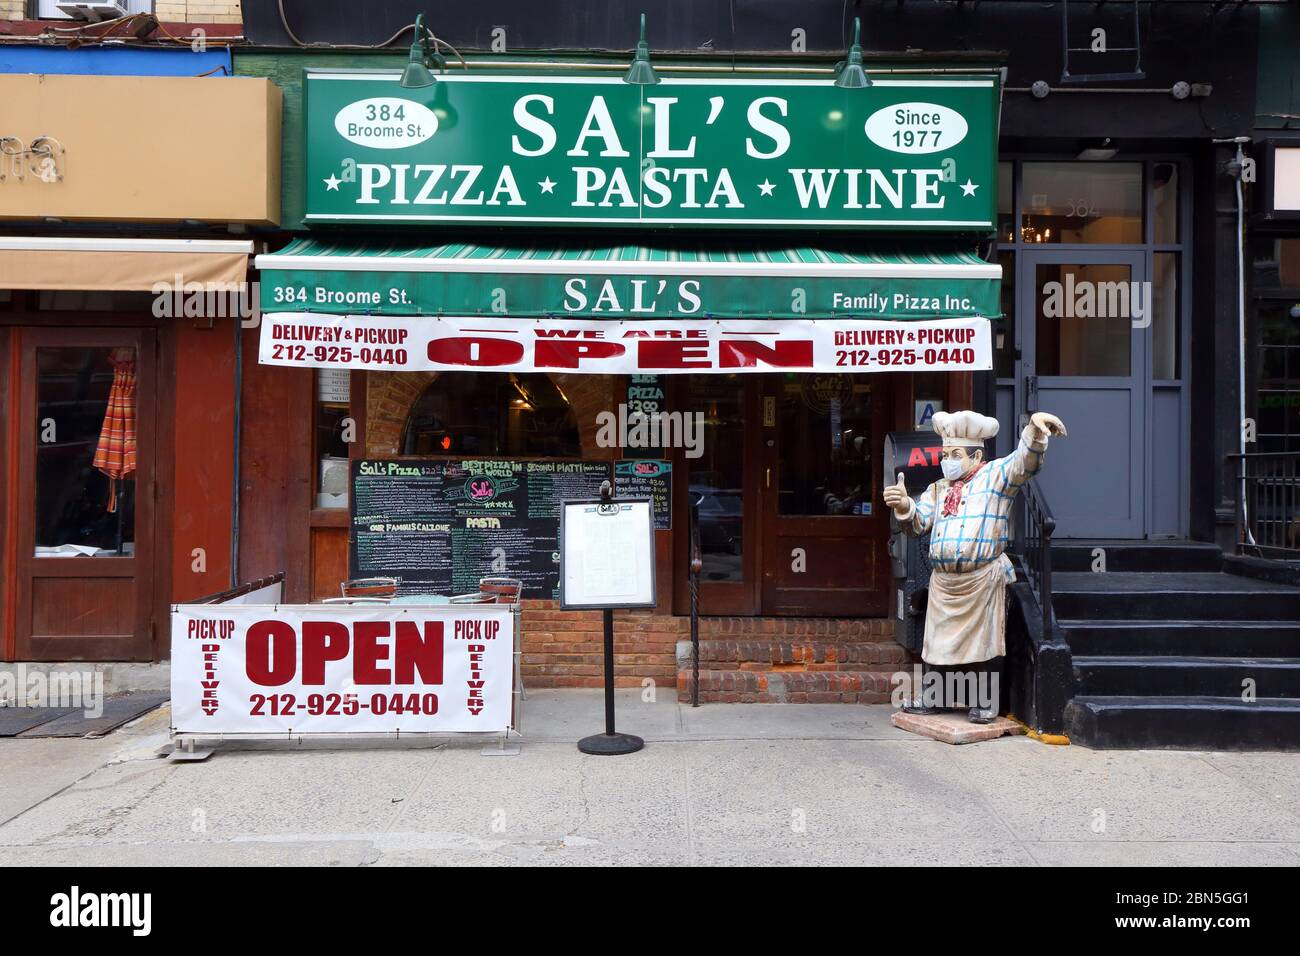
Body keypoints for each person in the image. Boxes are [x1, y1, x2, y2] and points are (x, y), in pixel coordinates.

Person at [882, 409, 1067, 723]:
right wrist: (904, 505)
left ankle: (985, 702)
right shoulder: (938, 489)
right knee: (936, 643)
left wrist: (1034, 431)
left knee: (986, 644)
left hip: (981, 577)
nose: (948, 461)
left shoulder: (995, 477)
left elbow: (1025, 463)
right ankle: (935, 696)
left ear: (976, 455)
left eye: (955, 455)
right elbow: (918, 523)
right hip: (944, 581)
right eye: (945, 455)